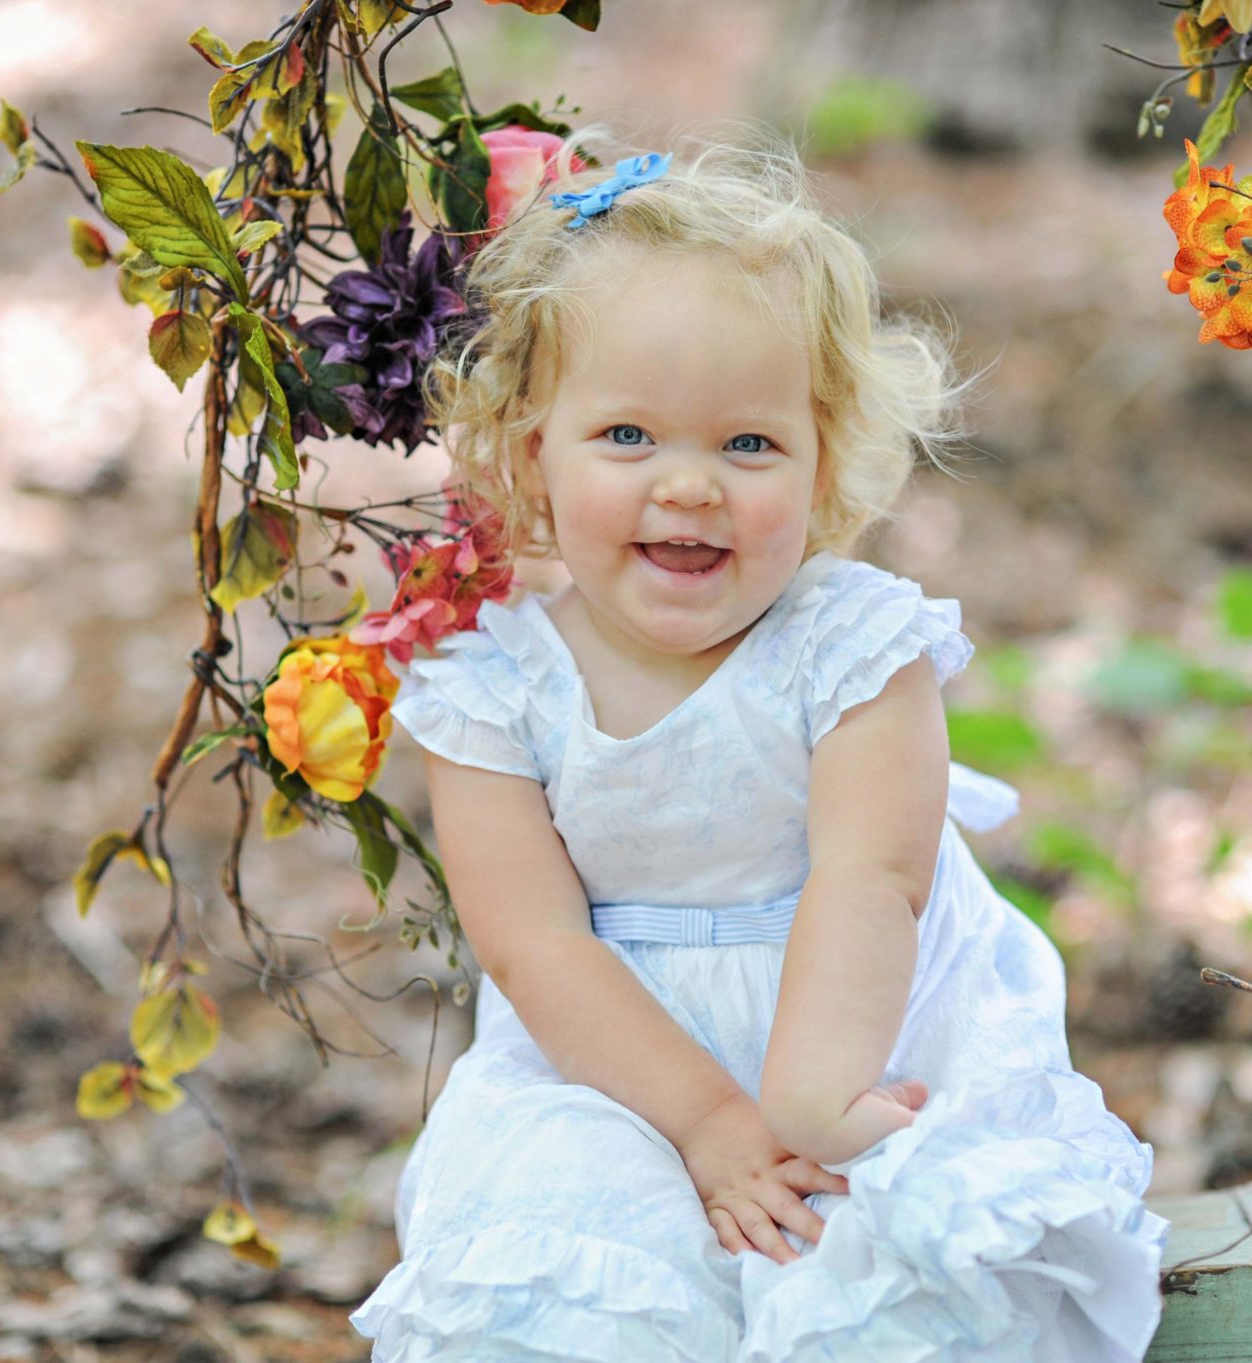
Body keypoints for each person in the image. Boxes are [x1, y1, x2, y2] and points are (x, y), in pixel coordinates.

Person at [348, 127, 1167, 1363]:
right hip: (606, 1056)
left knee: (871, 1257)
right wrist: (710, 1121)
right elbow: (532, 943)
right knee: (576, 1263)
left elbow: (870, 878)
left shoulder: (850, 645)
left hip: (849, 1019)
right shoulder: (495, 687)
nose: (688, 486)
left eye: (748, 444)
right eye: (627, 437)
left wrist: (800, 1106)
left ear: (824, 461)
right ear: (533, 454)